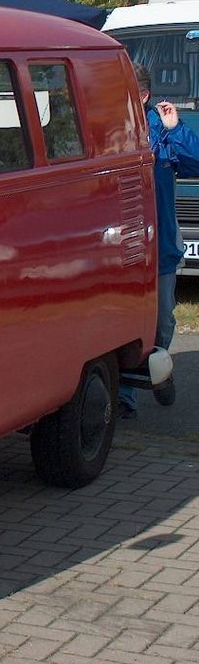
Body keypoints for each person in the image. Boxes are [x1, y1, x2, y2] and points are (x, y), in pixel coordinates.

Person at [119, 62, 199, 418]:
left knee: (163, 322)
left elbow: (195, 161)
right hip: (121, 246)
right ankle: (125, 395)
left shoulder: (161, 130)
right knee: (122, 321)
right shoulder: (111, 128)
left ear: (143, 95)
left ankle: (157, 369)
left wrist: (176, 127)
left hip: (159, 246)